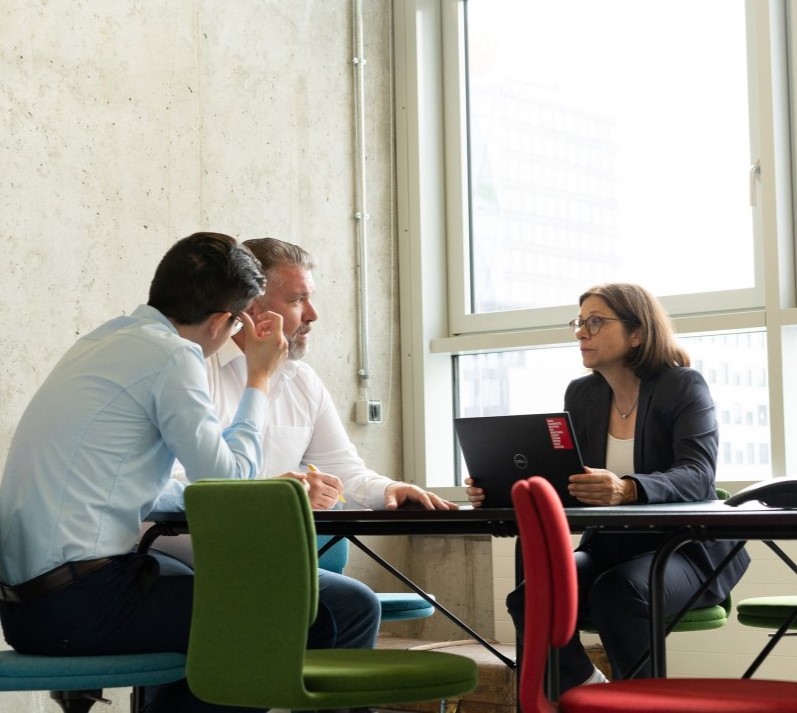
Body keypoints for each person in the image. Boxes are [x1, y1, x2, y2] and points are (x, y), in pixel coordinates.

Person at [0, 232, 298, 713]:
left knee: (210, 591)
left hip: (26, 608)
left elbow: (128, 485)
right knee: (276, 613)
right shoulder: (173, 355)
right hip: (79, 604)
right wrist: (259, 377)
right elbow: (229, 483)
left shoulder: (103, 340)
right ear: (222, 321)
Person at [466, 282, 751, 691]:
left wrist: (627, 489)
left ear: (637, 333)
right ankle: (592, 689)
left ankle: (638, 701)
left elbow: (697, 474)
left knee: (618, 592)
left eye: (596, 322)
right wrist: (498, 490)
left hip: (687, 550)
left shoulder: (683, 385)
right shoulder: (582, 394)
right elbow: (568, 480)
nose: (582, 333)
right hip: (611, 548)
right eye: (580, 323)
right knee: (529, 600)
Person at [203, 236, 456, 512]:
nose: (312, 315)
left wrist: (390, 489)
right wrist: (277, 494)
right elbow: (177, 482)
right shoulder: (197, 372)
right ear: (250, 307)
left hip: (281, 539)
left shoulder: (303, 381)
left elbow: (342, 471)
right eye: (297, 300)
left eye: (310, 298)